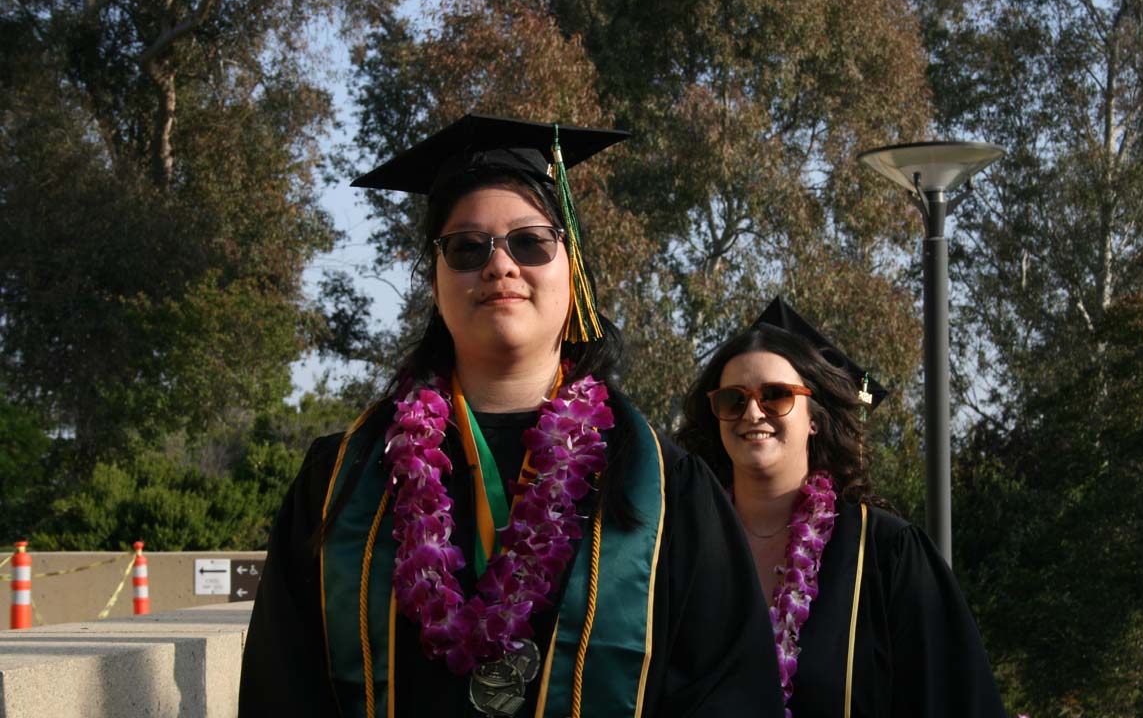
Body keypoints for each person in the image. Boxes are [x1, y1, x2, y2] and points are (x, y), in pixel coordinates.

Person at [238, 114, 782, 718]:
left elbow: (730, 692)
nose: (499, 267)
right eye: (467, 248)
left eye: (530, 242)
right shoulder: (343, 478)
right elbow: (282, 687)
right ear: (436, 283)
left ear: (571, 271)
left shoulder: (663, 486)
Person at [676, 297, 1008, 718]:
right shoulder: (680, 550)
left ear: (813, 417)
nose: (752, 412)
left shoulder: (886, 554)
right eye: (732, 400)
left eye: (776, 396)